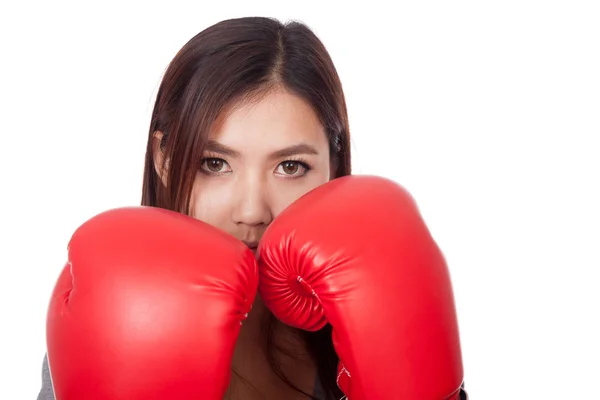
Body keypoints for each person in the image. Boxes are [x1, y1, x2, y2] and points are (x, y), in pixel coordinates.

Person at [38, 17, 467, 400]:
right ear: (164, 161)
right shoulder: (113, 324)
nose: (251, 210)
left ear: (334, 166)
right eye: (215, 163)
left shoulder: (374, 308)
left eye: (291, 166)